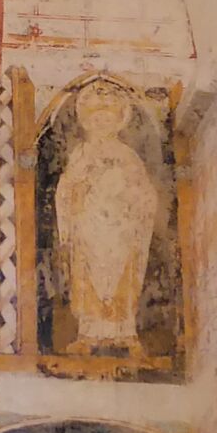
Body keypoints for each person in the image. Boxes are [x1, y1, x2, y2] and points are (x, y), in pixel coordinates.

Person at [53, 82, 159, 352]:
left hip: (121, 230)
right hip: (89, 229)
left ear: (119, 121)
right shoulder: (81, 154)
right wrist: (82, 190)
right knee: (86, 277)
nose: (102, 123)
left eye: (108, 118)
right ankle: (89, 332)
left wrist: (131, 197)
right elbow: (66, 190)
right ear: (87, 121)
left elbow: (145, 194)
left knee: (123, 274)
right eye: (96, 118)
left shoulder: (127, 156)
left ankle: (124, 331)